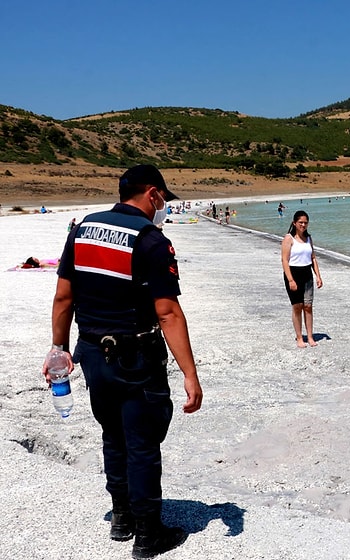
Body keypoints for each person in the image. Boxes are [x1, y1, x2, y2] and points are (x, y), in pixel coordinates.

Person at [44, 164, 203, 559]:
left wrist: (58, 348)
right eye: (163, 199)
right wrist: (190, 373)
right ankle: (148, 534)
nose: (163, 206)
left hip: (92, 354)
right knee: (143, 441)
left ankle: (121, 516)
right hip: (135, 355)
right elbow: (167, 312)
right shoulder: (151, 240)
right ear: (153, 193)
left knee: (113, 435)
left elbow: (64, 297)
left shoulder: (82, 229)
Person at [281, 211, 323, 348]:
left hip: (307, 274)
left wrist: (318, 276)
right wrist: (290, 280)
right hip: (293, 274)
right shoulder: (288, 238)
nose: (303, 225)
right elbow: (284, 260)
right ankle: (299, 337)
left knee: (308, 306)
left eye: (305, 223)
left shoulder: (308, 238)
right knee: (297, 306)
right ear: (294, 223)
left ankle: (310, 336)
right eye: (300, 222)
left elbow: (313, 258)